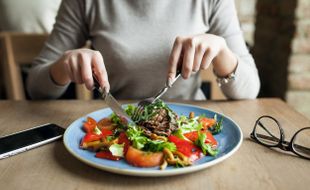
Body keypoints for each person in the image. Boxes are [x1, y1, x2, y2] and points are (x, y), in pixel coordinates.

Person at [26, 0, 260, 100]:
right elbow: (36, 87)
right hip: (116, 131)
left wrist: (222, 52)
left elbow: (251, 90)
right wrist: (64, 67)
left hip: (191, 131)